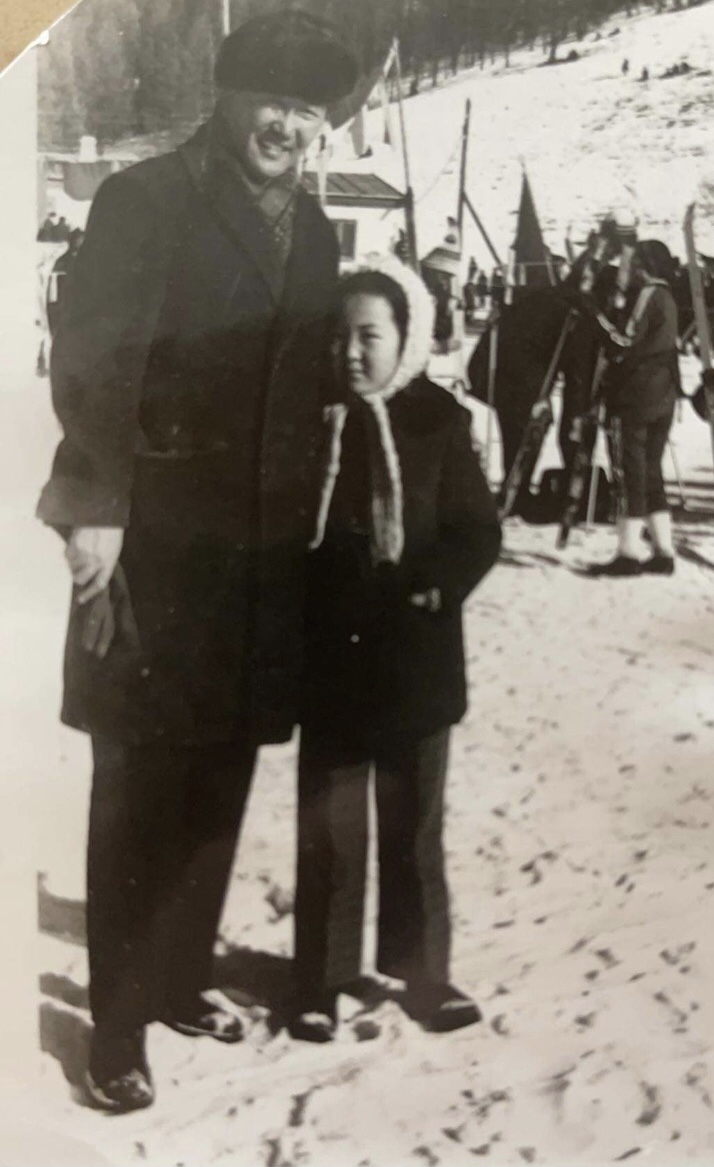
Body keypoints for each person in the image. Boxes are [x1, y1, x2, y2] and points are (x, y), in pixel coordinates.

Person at [36, 10, 359, 1113]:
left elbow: (316, 375)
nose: (289, 128)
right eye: (274, 103)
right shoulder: (147, 200)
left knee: (221, 767)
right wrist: (95, 505)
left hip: (264, 549)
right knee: (139, 776)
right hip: (157, 538)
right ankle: (117, 1025)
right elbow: (93, 362)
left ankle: (177, 980)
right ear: (228, 98)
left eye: (308, 112)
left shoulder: (315, 232)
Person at [291, 256, 502, 1041]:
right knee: (332, 827)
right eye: (339, 335)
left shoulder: (435, 419)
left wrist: (437, 583)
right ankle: (319, 979)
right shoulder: (312, 418)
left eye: (368, 335)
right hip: (332, 659)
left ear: (405, 337)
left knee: (413, 830)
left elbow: (476, 530)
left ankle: (424, 974)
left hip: (416, 659)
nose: (350, 351)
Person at [583, 239, 681, 576]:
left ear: (645, 265)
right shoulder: (668, 296)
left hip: (635, 394)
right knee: (651, 471)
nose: (631, 270)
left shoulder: (649, 294)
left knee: (628, 472)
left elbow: (623, 340)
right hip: (663, 392)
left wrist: (596, 317)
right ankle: (663, 550)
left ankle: (628, 552)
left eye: (635, 263)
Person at [46, 228, 84, 337]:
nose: (79, 242)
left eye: (81, 240)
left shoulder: (85, 260)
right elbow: (54, 286)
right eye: (77, 239)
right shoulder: (62, 261)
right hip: (65, 301)